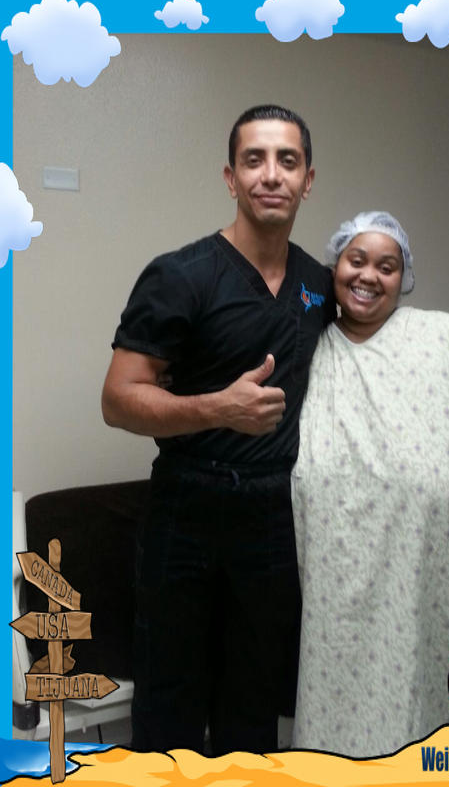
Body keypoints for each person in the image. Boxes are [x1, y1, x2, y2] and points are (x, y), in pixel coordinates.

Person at [101, 105, 335, 756]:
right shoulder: (181, 275)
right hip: (188, 506)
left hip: (275, 515)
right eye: (253, 159)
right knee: (169, 705)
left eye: (287, 161)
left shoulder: (319, 286)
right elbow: (118, 400)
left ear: (308, 180)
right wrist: (217, 409)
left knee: (254, 703)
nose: (271, 174)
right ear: (231, 178)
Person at [290, 210, 449, 757]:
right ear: (335, 267)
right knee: (336, 729)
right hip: (334, 598)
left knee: (424, 716)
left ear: (402, 279)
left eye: (387, 266)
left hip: (434, 584)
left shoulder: (447, 339)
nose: (369, 275)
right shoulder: (309, 350)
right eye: (357, 260)